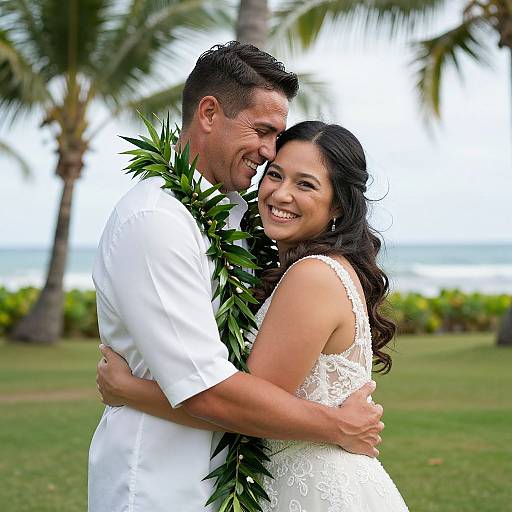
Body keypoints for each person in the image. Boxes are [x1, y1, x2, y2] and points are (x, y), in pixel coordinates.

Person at [88, 42, 384, 512]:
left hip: (231, 481)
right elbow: (208, 390)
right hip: (160, 482)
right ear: (208, 113)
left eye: (304, 182)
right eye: (263, 132)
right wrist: (336, 424)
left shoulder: (238, 223)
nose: (269, 155)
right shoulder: (157, 221)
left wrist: (130, 390)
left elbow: (241, 386)